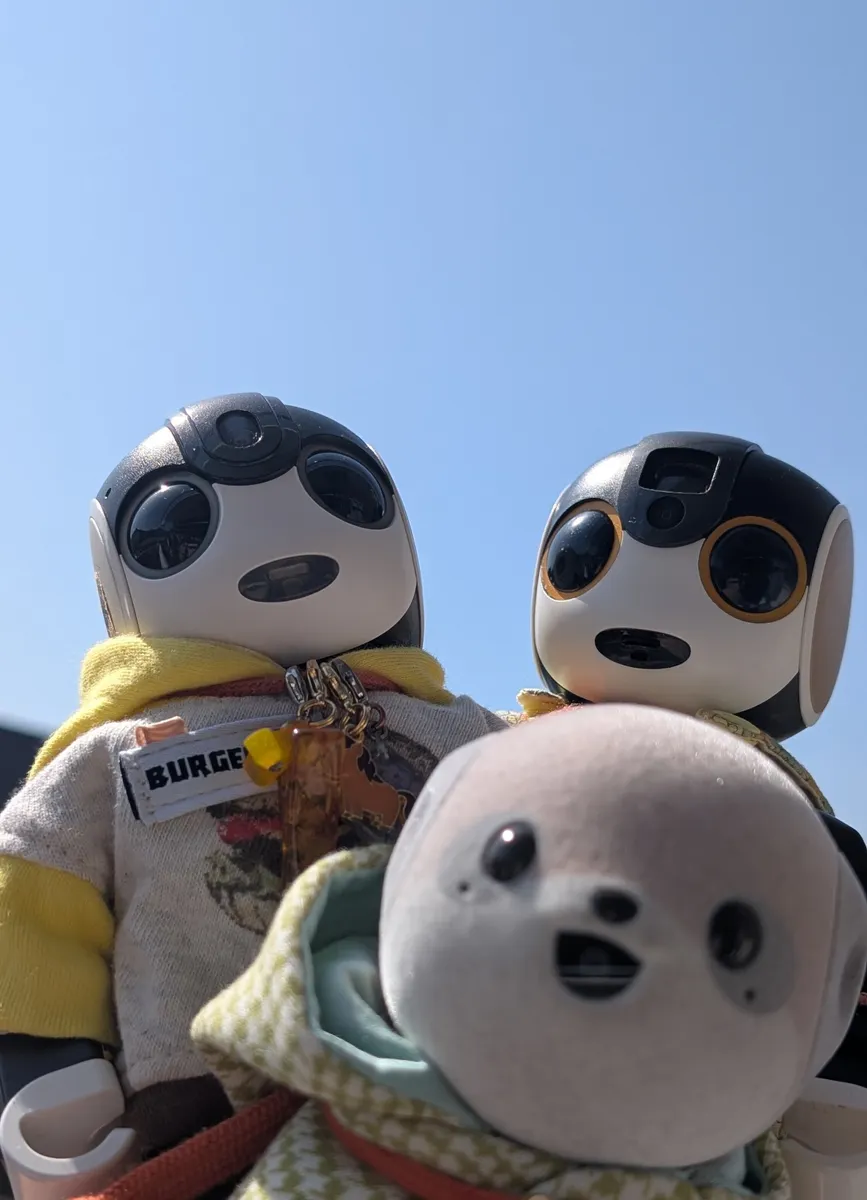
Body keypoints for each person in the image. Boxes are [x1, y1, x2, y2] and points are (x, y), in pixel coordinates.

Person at [0, 392, 504, 1197]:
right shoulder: (108, 759)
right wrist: (47, 1059)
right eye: (176, 525)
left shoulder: (467, 730)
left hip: (461, 1078)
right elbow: (34, 896)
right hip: (205, 1110)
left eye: (336, 493)